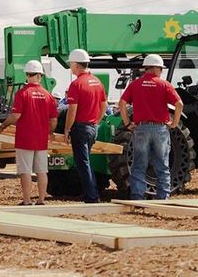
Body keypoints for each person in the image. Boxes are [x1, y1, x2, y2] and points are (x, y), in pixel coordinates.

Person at [119, 53, 183, 201]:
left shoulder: (135, 84)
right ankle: (163, 198)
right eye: (161, 69)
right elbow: (179, 104)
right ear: (157, 69)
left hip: (141, 129)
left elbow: (122, 103)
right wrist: (174, 123)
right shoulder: (164, 84)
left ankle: (137, 197)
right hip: (160, 129)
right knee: (162, 166)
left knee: (139, 165)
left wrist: (128, 123)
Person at [0, 60, 57, 205]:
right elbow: (53, 119)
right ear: (40, 76)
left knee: (25, 171)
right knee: (42, 171)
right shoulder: (48, 95)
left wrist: (2, 126)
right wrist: (50, 132)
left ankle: (27, 200)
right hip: (41, 140)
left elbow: (15, 116)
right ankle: (41, 200)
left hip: (25, 139)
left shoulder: (22, 93)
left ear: (27, 75)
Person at [63, 48, 107, 203]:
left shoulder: (76, 84)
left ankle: (92, 196)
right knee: (86, 161)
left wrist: (67, 129)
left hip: (81, 128)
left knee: (83, 164)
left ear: (76, 64)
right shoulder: (97, 82)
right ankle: (92, 193)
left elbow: (72, 110)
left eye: (71, 64)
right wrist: (96, 121)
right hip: (92, 127)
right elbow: (104, 105)